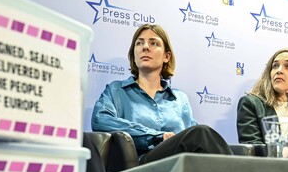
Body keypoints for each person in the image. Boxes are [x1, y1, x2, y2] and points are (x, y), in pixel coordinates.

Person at [92, 23, 232, 164]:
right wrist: (157, 136)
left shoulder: (180, 99)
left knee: (202, 139)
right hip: (142, 165)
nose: (145, 47)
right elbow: (101, 120)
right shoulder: (116, 90)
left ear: (166, 56)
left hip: (181, 165)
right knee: (201, 134)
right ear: (133, 55)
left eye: (153, 43)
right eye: (139, 43)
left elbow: (193, 138)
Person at [236, 48, 288, 154]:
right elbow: (253, 150)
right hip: (276, 167)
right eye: (275, 66)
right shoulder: (251, 103)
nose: (279, 70)